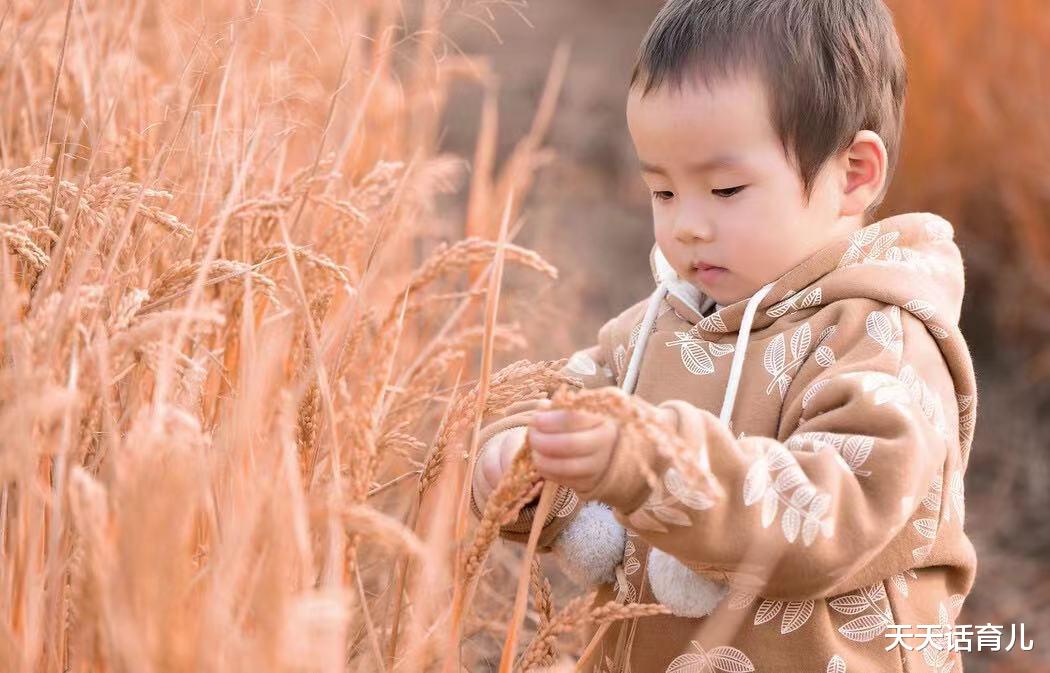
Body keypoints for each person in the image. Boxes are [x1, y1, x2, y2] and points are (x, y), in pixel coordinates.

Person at [470, 1, 978, 670]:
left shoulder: (884, 339)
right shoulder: (661, 325)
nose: (687, 226)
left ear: (853, 172)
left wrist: (651, 464)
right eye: (663, 192)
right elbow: (573, 404)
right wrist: (527, 463)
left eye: (727, 189)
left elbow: (831, 512)